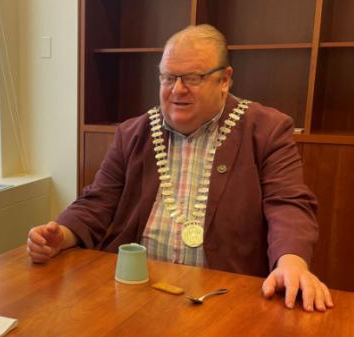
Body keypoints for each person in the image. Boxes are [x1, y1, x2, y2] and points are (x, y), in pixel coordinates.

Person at [27, 24, 333, 312]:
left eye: (193, 77)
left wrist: (291, 262)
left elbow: (289, 205)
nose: (177, 90)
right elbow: (98, 201)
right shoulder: (133, 133)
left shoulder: (267, 130)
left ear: (225, 79)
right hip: (134, 291)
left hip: (224, 295)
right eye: (168, 77)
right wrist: (62, 235)